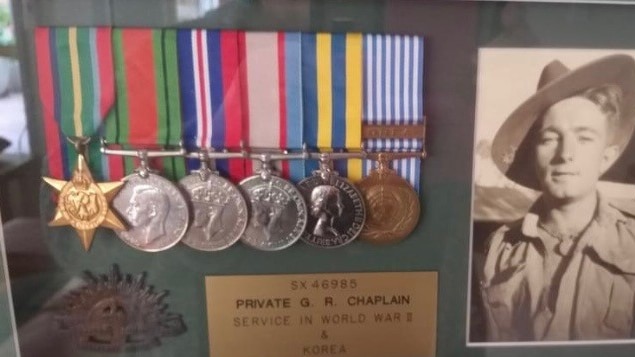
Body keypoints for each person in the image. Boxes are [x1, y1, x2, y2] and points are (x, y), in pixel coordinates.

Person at [481, 54, 635, 341]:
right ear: (532, 155)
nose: (565, 154)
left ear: (607, 157)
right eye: (550, 138)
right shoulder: (501, 249)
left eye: (585, 138)